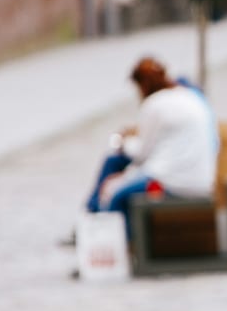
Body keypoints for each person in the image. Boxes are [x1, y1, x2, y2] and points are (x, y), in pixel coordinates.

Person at [84, 58, 218, 230]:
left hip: (173, 182)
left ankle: (116, 244)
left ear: (142, 86)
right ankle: (96, 218)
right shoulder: (189, 96)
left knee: (117, 198)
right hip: (202, 181)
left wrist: (123, 144)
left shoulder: (154, 104)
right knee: (119, 178)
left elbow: (142, 153)